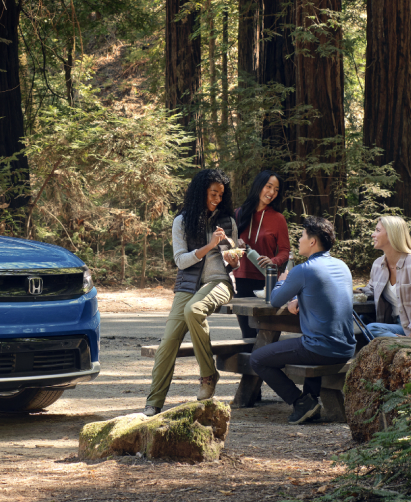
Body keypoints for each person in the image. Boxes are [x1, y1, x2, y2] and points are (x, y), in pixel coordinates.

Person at [143, 169, 240, 415]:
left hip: (219, 283)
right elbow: (181, 261)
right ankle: (153, 403)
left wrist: (233, 258)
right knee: (168, 343)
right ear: (201, 192)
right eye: (213, 193)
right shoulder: (182, 221)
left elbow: (234, 261)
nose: (217, 198)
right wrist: (210, 246)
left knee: (194, 309)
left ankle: (208, 375)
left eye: (221, 194)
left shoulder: (228, 222)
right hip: (188, 284)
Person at [249, 215, 357, 424]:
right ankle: (311, 400)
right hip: (346, 347)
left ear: (312, 242)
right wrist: (299, 297)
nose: (298, 240)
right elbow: (322, 291)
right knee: (311, 338)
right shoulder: (342, 266)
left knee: (257, 359)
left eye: (302, 236)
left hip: (321, 350)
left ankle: (301, 402)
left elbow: (274, 301)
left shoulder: (303, 270)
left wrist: (282, 282)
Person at [231, 170, 290, 335]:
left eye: (276, 190)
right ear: (259, 186)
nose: (272, 192)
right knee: (247, 334)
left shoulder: (278, 218)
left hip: (268, 282)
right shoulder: (238, 214)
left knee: (267, 333)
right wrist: (234, 244)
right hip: (242, 280)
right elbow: (226, 244)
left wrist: (274, 261)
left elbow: (285, 251)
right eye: (268, 186)